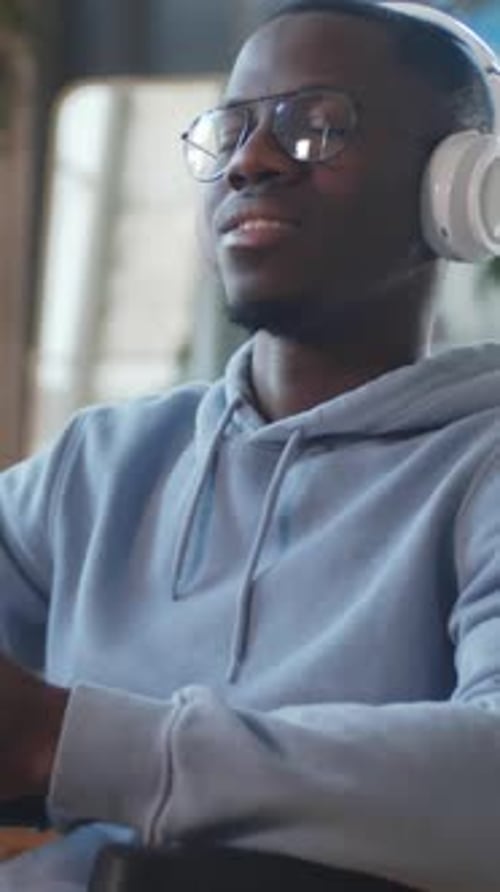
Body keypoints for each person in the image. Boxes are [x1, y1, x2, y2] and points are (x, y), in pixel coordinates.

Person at [1, 0, 500, 889]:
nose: (250, 160)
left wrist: (63, 745)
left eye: (316, 127)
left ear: (460, 187)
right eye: (229, 130)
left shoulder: (481, 467)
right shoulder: (103, 463)